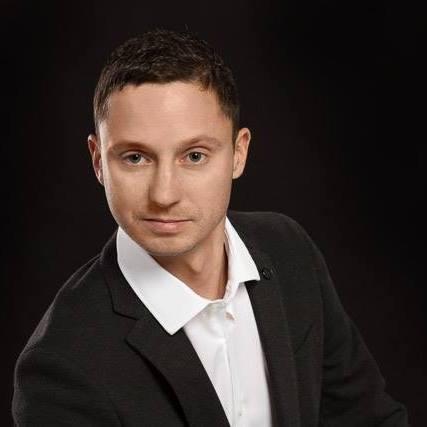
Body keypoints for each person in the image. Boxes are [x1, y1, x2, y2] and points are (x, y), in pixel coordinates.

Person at [12, 28, 409, 426]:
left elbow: (369, 418)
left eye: (194, 156)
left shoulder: (288, 248)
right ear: (98, 161)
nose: (164, 194)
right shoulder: (60, 367)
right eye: (135, 157)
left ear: (239, 154)